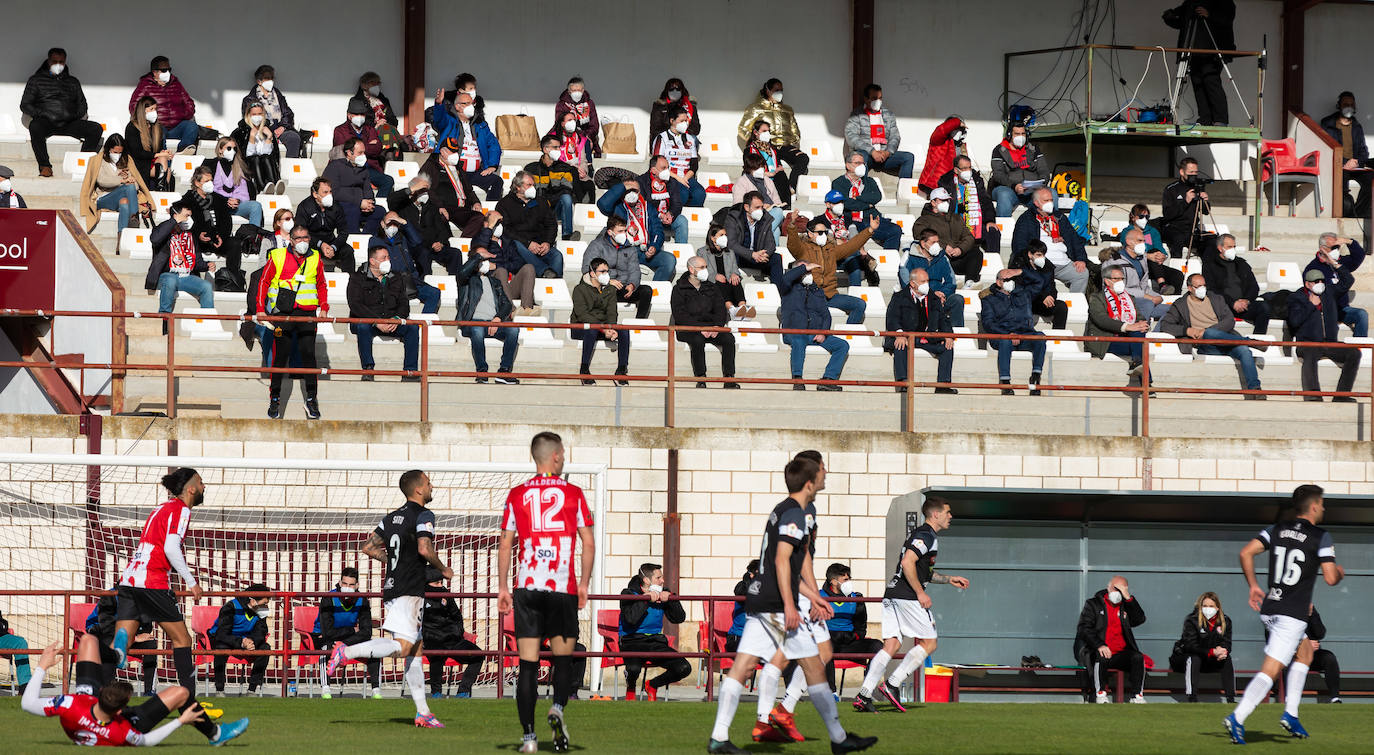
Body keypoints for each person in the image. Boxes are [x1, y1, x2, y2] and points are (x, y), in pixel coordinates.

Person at [708, 456, 876, 755]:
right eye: (822, 470)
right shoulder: (795, 515)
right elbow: (781, 560)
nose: (826, 474)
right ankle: (838, 739)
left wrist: (814, 596)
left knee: (744, 666)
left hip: (763, 599)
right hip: (775, 602)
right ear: (810, 482)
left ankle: (720, 737)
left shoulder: (786, 510)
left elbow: (794, 562)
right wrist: (789, 604)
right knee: (814, 665)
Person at [109, 468, 237, 744]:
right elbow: (170, 546)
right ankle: (190, 701)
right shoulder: (181, 510)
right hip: (153, 580)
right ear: (191, 489)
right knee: (182, 638)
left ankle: (99, 701)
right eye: (201, 483)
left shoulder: (160, 508)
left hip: (129, 578)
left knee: (123, 642)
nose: (204, 487)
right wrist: (191, 580)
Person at [328, 470, 454, 729]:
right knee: (405, 647)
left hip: (393, 586)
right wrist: (442, 569)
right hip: (409, 590)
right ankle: (346, 651)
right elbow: (424, 548)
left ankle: (423, 712)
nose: (432, 487)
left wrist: (395, 564)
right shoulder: (423, 515)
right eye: (429, 483)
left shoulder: (391, 518)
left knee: (416, 649)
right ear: (418, 489)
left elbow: (368, 547)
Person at [498, 433, 597, 753]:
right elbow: (588, 543)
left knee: (527, 665)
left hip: (527, 586)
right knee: (563, 657)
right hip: (561, 588)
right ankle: (557, 707)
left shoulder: (517, 494)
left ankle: (528, 739)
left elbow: (505, 543)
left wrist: (502, 587)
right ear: (555, 456)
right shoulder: (573, 493)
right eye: (563, 453)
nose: (564, 457)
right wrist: (583, 584)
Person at [1225, 484, 1344, 744]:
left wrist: (1254, 586)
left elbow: (1246, 552)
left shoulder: (1276, 529)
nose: (1323, 508)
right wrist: (1341, 571)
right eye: (1322, 503)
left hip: (1272, 607)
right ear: (1314, 506)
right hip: (1292, 614)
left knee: (1306, 652)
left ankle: (1291, 713)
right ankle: (1238, 717)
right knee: (1271, 670)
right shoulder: (1320, 535)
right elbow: (1331, 578)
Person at [853, 497, 970, 713]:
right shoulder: (926, 535)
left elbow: (921, 570)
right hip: (907, 596)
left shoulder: (922, 535)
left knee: (891, 645)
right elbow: (908, 562)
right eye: (948, 512)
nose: (950, 516)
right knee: (930, 643)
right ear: (936, 514)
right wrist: (919, 592)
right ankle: (892, 683)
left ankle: (864, 695)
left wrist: (948, 579)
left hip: (892, 594)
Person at [22, 636, 244, 746]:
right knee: (182, 693)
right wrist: (180, 721)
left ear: (99, 696)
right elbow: (147, 741)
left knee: (88, 639)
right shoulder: (122, 731)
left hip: (85, 706)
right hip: (125, 718)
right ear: (121, 711)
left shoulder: (71, 703)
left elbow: (27, 703)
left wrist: (43, 665)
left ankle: (118, 657)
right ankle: (215, 735)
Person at [257, 224, 328, 419]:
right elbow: (263, 281)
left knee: (309, 356)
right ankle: (275, 399)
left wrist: (324, 306)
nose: (303, 242)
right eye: (298, 238)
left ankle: (311, 399)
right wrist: (260, 310)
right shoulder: (278, 256)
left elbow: (321, 284)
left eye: (306, 238)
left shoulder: (315, 257)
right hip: (283, 314)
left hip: (307, 315)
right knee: (281, 356)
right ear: (291, 240)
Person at [1159, 274, 1265, 396]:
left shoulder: (1216, 299)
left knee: (1244, 351)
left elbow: (1230, 320)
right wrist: (1186, 330)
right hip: (1204, 345)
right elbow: (1165, 325)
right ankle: (1249, 341)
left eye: (1204, 285)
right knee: (1209, 334)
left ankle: (1255, 389)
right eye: (1198, 286)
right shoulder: (1180, 304)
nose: (1202, 289)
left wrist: (1207, 331)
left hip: (1225, 339)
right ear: (1189, 288)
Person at [21, 48, 103, 178]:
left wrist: (72, 115)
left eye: (61, 62)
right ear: (48, 61)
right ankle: (45, 166)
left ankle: (82, 163)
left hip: (69, 123)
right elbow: (25, 104)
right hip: (46, 122)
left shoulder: (73, 82)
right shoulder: (36, 80)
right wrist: (42, 114)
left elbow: (82, 104)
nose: (58, 65)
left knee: (96, 129)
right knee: (35, 126)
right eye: (54, 61)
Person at [786, 213, 876, 325]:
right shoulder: (803, 249)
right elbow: (792, 244)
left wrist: (870, 230)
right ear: (810, 234)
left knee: (860, 304)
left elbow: (852, 245)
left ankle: (847, 333)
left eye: (825, 232)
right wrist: (792, 225)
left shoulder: (831, 249)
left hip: (830, 295)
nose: (823, 235)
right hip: (811, 296)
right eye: (820, 233)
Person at [347, 245, 420, 381]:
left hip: (392, 321)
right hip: (368, 321)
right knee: (363, 327)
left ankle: (410, 371)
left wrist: (397, 318)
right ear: (372, 261)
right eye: (383, 258)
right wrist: (376, 321)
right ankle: (368, 369)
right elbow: (355, 305)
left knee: (413, 328)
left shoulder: (396, 277)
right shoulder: (357, 277)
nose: (388, 260)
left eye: (388, 257)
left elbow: (404, 303)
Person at [618, 562, 690, 700]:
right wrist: (645, 600)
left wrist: (671, 599)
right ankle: (631, 686)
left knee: (684, 667)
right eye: (658, 578)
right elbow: (631, 619)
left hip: (655, 642)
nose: (662, 581)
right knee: (633, 669)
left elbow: (679, 618)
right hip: (631, 641)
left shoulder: (663, 593)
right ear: (646, 580)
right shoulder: (627, 593)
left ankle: (652, 685)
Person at [1288, 269, 1361, 402]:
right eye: (1316, 281)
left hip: (1329, 342)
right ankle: (1313, 394)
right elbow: (1294, 321)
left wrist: (1334, 265)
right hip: (1307, 342)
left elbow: (1348, 281)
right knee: (1310, 354)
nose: (1320, 283)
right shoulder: (1297, 297)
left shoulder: (1329, 293)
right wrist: (1310, 305)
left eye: (1322, 281)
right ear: (1308, 284)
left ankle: (1342, 395)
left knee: (1354, 353)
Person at [1074, 576, 1148, 704]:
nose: (1118, 592)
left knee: (1137, 657)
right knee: (1101, 655)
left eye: (1122, 589)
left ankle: (1137, 695)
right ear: (1108, 588)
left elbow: (1139, 619)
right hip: (1098, 651)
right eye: (1115, 588)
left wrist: (1129, 598)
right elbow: (1084, 628)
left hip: (1119, 653)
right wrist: (1099, 645)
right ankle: (1101, 693)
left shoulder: (1125, 606)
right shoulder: (1093, 604)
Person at [778, 258, 848, 391]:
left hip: (814, 334)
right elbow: (787, 278)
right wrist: (804, 267)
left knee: (842, 345)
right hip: (794, 332)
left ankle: (828, 379)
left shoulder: (817, 291)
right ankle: (797, 379)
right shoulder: (787, 288)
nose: (808, 273)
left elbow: (826, 315)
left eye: (809, 271)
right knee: (798, 340)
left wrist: (823, 332)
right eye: (805, 270)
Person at [1164, 0, 1236, 126]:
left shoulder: (1225, 2)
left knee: (1211, 81)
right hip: (1194, 51)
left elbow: (1227, 18)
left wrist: (1210, 15)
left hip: (1213, 51)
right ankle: (1205, 119)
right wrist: (1169, 17)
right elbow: (1182, 21)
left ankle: (1220, 119)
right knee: (1198, 83)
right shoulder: (1191, 2)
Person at [455, 247, 521, 384]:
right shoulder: (466, 281)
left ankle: (504, 371)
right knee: (477, 330)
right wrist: (478, 256)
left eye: (486, 259)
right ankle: (482, 371)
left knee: (514, 329)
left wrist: (497, 319)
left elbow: (507, 304)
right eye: (482, 259)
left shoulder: (495, 282)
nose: (486, 262)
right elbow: (462, 272)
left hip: (493, 323)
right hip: (473, 322)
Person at [312, 567, 381, 699]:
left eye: (350, 585)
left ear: (357, 586)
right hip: (323, 636)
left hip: (348, 639)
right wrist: (351, 631)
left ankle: (376, 690)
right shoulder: (329, 598)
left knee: (375, 648)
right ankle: (326, 689)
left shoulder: (362, 599)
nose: (347, 587)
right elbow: (327, 632)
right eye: (344, 584)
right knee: (326, 647)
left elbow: (367, 632)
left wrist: (343, 643)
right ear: (339, 582)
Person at [885, 267, 957, 394]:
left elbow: (943, 320)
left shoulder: (933, 298)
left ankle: (943, 384)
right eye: (923, 281)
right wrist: (899, 334)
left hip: (927, 338)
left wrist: (948, 335)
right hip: (907, 337)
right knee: (900, 345)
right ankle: (903, 383)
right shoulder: (899, 297)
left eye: (927, 281)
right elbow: (892, 319)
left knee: (948, 347)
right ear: (913, 284)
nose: (927, 284)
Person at [671, 255, 738, 388]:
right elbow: (680, 314)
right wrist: (699, 328)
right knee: (697, 340)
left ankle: (729, 377)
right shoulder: (679, 289)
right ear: (691, 269)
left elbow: (720, 310)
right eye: (702, 267)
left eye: (706, 267)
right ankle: (701, 377)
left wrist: (717, 326)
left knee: (729, 339)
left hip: (711, 327)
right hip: (688, 328)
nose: (705, 270)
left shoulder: (712, 287)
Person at [145, 202, 215, 324]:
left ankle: (207, 322)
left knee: (206, 287)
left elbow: (196, 260)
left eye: (190, 216)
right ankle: (164, 319)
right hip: (166, 274)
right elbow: (155, 239)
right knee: (171, 280)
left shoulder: (190, 235)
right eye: (186, 215)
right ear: (176, 215)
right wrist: (173, 221)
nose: (189, 219)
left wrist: (206, 265)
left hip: (186, 276)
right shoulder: (163, 228)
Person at [737, 79, 808, 195]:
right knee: (777, 168)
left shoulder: (787, 110)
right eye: (776, 90)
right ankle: (780, 192)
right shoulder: (756, 108)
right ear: (768, 90)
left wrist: (792, 141)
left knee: (803, 158)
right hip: (768, 146)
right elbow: (743, 129)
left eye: (781, 90)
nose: (779, 93)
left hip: (785, 146)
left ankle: (791, 187)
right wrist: (756, 142)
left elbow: (795, 131)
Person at [818, 563, 882, 694]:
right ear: (833, 581)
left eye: (849, 579)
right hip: (827, 642)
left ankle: (866, 691)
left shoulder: (856, 599)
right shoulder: (818, 597)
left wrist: (853, 636)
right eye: (845, 580)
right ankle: (831, 692)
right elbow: (811, 626)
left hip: (849, 641)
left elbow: (861, 627)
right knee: (825, 645)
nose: (849, 583)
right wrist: (829, 635)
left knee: (878, 647)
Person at [422, 567, 484, 699]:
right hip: (432, 639)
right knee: (436, 656)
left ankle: (463, 692)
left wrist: (457, 632)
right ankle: (436, 693)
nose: (440, 586)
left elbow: (457, 616)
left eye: (441, 583)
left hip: (452, 639)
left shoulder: (446, 595)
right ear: (426, 583)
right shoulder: (418, 597)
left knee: (478, 656)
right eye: (436, 583)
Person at [597, 175, 674, 281]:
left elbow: (657, 231)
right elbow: (602, 204)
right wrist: (623, 186)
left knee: (669, 259)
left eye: (635, 190)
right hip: (623, 251)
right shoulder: (617, 206)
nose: (632, 193)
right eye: (629, 190)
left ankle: (656, 290)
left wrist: (654, 246)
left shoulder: (648, 207)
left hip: (644, 250)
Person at [1087, 266, 1152, 391]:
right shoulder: (1096, 298)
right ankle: (1147, 384)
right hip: (1106, 340)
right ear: (1107, 281)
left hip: (1128, 339)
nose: (1121, 282)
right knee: (1140, 343)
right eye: (1117, 279)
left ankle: (1137, 363)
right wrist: (1128, 326)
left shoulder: (1129, 298)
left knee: (1139, 334)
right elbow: (1102, 320)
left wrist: (1144, 324)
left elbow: (1140, 317)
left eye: (1122, 279)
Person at [982, 269, 1047, 395]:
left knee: (1040, 337)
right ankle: (1005, 382)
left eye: (1012, 279)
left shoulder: (1023, 294)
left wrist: (1020, 271)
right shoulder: (989, 299)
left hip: (1024, 334)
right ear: (998, 282)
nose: (1010, 282)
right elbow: (988, 323)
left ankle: (1035, 377)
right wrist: (1008, 334)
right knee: (1005, 342)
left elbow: (1040, 281)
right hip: (1002, 336)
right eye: (1006, 280)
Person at [1011, 187, 1088, 292]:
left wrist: (1081, 259)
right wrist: (1030, 260)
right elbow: (1019, 244)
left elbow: (1075, 239)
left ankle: (1075, 305)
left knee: (1082, 274)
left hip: (1063, 263)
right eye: (1046, 201)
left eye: (1051, 200)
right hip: (1040, 263)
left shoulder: (1060, 217)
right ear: (1036, 203)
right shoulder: (1026, 219)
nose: (1050, 203)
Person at [432, 88, 503, 201]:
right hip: (455, 170)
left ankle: (491, 213)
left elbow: (493, 145)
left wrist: (492, 165)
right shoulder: (449, 122)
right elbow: (439, 119)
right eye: (466, 103)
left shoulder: (481, 125)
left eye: (472, 103)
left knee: (497, 181)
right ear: (457, 106)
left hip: (476, 172)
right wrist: (439, 104)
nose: (471, 106)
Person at [571, 257, 631, 385]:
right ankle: (584, 369)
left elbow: (612, 312)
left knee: (624, 330)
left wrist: (612, 328)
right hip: (581, 327)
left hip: (603, 327)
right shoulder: (579, 289)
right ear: (592, 273)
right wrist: (603, 328)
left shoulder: (610, 289)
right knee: (592, 330)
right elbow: (582, 315)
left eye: (607, 271)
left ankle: (621, 370)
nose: (606, 275)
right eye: (602, 271)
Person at [84, 593, 157, 695]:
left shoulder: (143, 598)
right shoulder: (111, 597)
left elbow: (146, 628)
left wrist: (137, 636)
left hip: (128, 637)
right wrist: (134, 638)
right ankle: (106, 689)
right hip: (105, 635)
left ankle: (150, 691)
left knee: (151, 644)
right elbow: (102, 628)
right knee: (107, 642)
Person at [79, 134, 152, 237]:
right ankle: (134, 217)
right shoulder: (97, 160)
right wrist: (122, 180)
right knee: (128, 187)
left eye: (120, 152)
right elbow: (102, 180)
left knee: (124, 202)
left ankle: (121, 238)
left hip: (122, 198)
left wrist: (128, 180)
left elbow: (136, 185)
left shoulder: (127, 160)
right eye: (115, 152)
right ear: (108, 149)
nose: (118, 155)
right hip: (104, 198)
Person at [1169, 592, 1235, 703]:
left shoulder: (1225, 621)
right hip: (1186, 659)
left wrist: (1223, 651)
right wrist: (1211, 651)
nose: (1208, 609)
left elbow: (1227, 643)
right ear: (1200, 607)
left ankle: (1231, 698)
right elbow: (1190, 645)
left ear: (1217, 608)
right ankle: (1192, 697)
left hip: (1210, 659)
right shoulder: (1192, 620)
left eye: (1211, 606)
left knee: (1227, 658)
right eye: (1205, 606)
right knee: (1194, 658)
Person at [939, 154, 1000, 272]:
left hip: (974, 222)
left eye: (969, 168)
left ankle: (993, 268)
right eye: (964, 168)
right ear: (956, 170)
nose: (968, 171)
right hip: (954, 224)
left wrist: (990, 220)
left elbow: (986, 201)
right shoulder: (946, 182)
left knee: (993, 231)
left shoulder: (976, 180)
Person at [391, 175, 463, 277]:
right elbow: (391, 199)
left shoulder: (431, 207)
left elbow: (441, 229)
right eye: (422, 190)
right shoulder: (403, 206)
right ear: (414, 190)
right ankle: (424, 284)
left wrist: (441, 242)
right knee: (423, 254)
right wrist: (411, 189)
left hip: (432, 246)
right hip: (413, 246)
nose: (425, 193)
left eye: (427, 190)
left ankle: (455, 284)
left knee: (455, 253)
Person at [495, 172, 562, 279]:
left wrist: (548, 242)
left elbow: (551, 224)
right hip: (520, 244)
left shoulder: (541, 201)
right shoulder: (504, 204)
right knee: (517, 245)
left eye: (533, 185)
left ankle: (555, 287)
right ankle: (545, 272)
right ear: (518, 187)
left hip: (540, 244)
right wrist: (528, 244)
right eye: (528, 185)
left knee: (557, 256)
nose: (532, 188)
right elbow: (506, 230)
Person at [208, 584, 272, 695]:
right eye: (264, 603)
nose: (265, 606)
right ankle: (219, 690)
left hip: (246, 640)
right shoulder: (230, 607)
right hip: (225, 639)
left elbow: (261, 631)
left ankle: (251, 690)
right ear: (252, 601)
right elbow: (222, 634)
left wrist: (252, 641)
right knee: (221, 649)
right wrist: (241, 642)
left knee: (265, 649)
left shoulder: (261, 610)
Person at [832, 152, 903, 252]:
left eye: (863, 163)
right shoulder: (838, 183)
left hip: (871, 218)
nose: (861, 166)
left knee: (895, 230)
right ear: (848, 165)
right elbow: (845, 203)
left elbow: (877, 197)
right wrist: (868, 204)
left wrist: (857, 198)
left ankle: (888, 261)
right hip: (851, 220)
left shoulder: (870, 181)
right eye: (857, 163)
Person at [417, 137, 486, 239]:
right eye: (451, 151)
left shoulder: (458, 167)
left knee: (479, 218)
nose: (455, 154)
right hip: (443, 206)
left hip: (461, 208)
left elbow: (468, 188)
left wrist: (475, 201)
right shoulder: (431, 165)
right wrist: (439, 205)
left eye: (456, 151)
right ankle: (448, 243)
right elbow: (426, 188)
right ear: (442, 152)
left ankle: (463, 242)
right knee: (438, 218)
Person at [472, 213, 540, 316]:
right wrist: (488, 229)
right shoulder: (479, 239)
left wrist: (497, 265)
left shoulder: (507, 241)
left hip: (509, 286)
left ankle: (527, 309)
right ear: (487, 223)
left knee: (528, 268)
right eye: (497, 222)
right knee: (501, 272)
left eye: (501, 222)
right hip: (492, 286)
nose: (500, 225)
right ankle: (510, 311)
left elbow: (519, 263)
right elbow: (478, 253)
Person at [372, 214, 441, 315]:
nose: (392, 225)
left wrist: (404, 222)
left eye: (395, 223)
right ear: (382, 224)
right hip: (389, 282)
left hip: (409, 280)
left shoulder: (403, 239)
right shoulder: (375, 240)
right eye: (389, 222)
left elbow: (418, 242)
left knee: (434, 293)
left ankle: (424, 323)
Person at [128, 56, 199, 153]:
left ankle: (183, 152)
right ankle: (165, 160)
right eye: (164, 70)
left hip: (177, 126)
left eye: (169, 69)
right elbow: (134, 106)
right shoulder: (145, 85)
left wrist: (180, 115)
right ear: (155, 72)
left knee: (192, 126)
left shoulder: (176, 83)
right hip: (158, 125)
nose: (168, 73)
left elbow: (189, 104)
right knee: (159, 130)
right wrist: (148, 120)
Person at [913, 187, 982, 283]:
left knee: (976, 252)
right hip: (939, 258)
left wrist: (960, 249)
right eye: (943, 200)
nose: (946, 203)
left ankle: (970, 282)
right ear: (933, 202)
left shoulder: (956, 218)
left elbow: (968, 237)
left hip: (957, 257)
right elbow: (921, 237)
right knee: (935, 251)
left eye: (948, 200)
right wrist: (944, 247)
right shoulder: (923, 220)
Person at [1201, 234, 1268, 334]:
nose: (1233, 249)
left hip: (1243, 305)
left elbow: (1253, 286)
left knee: (1264, 308)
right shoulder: (1210, 266)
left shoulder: (1242, 264)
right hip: (1223, 306)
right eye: (1229, 247)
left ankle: (1257, 341)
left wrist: (1246, 300)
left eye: (1234, 247)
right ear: (1220, 248)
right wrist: (1232, 303)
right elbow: (1212, 290)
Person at [844, 84, 914, 179]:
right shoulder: (857, 114)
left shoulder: (888, 115)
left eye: (880, 98)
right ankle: (863, 189)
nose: (878, 101)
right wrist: (872, 151)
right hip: (867, 156)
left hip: (884, 156)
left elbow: (895, 136)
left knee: (908, 157)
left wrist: (887, 152)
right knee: (860, 157)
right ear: (866, 99)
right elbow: (851, 136)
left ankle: (905, 188)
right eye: (874, 98)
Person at [1304, 233, 1367, 337]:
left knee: (1361, 315)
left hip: (1341, 309)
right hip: (1324, 310)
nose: (1336, 250)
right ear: (1322, 249)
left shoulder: (1341, 262)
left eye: (1338, 247)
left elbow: (1359, 256)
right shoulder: (1313, 268)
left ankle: (1359, 347)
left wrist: (1348, 241)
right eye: (1333, 247)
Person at [1321, 92, 1372, 217]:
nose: (1349, 107)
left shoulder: (1357, 126)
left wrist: (1356, 162)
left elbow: (1363, 151)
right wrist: (1345, 162)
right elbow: (1326, 148)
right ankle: (1346, 212)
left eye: (1351, 104)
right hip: (1339, 165)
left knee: (1371, 179)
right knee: (1342, 186)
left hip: (1355, 165)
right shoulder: (1328, 124)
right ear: (1339, 105)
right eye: (1345, 104)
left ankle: (1358, 213)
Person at [1103, 228, 1171, 320]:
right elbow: (1115, 288)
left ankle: (1154, 333)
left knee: (1172, 310)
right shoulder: (1114, 261)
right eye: (1139, 241)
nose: (1143, 244)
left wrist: (1157, 296)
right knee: (1147, 304)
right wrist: (1145, 297)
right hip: (1121, 300)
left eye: (1144, 241)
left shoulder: (1142, 259)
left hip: (1143, 300)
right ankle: (1140, 331)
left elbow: (1144, 286)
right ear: (1128, 242)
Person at [817, 191, 881, 288]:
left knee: (853, 262)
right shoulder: (819, 220)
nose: (840, 205)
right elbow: (829, 243)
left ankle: (856, 295)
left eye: (842, 202)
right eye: (836, 202)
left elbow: (854, 236)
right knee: (854, 256)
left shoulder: (847, 219)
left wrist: (857, 246)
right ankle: (868, 268)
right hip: (831, 257)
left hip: (849, 256)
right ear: (828, 204)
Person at [901, 229, 964, 327]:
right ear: (923, 243)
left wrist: (942, 294)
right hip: (918, 298)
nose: (937, 245)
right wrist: (931, 295)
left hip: (940, 297)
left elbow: (951, 282)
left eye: (938, 242)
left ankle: (956, 335)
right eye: (933, 242)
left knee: (957, 300)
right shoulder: (909, 256)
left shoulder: (942, 257)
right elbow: (906, 283)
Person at [333, 98, 393, 201]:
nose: (360, 117)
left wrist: (357, 148)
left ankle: (379, 204)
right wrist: (368, 146)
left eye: (362, 114)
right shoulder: (340, 130)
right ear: (349, 115)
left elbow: (377, 149)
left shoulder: (369, 129)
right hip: (349, 168)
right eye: (356, 114)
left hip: (368, 168)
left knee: (388, 181)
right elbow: (344, 150)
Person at [989, 122, 1052, 217]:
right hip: (1008, 189)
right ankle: (1003, 229)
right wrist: (1014, 186)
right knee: (1004, 195)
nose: (1021, 136)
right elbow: (998, 175)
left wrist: (1039, 184)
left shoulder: (1034, 149)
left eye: (1023, 134)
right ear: (1010, 135)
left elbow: (1044, 170)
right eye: (1017, 134)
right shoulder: (999, 150)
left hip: (1032, 191)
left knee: (1052, 193)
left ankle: (1051, 227)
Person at [322, 138, 383, 235]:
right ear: (349, 153)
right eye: (360, 153)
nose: (363, 156)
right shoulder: (335, 167)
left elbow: (367, 189)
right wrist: (359, 202)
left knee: (380, 211)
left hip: (361, 206)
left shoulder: (363, 169)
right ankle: (353, 238)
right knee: (352, 210)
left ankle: (366, 237)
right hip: (341, 205)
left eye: (364, 153)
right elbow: (334, 192)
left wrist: (369, 202)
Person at [241, 65, 304, 159]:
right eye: (267, 78)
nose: (270, 80)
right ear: (259, 81)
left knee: (294, 138)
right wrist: (264, 128)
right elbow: (249, 119)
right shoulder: (250, 99)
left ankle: (290, 167)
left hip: (280, 129)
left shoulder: (278, 95)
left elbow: (288, 113)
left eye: (271, 78)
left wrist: (283, 127)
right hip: (262, 130)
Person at [1117, 204, 1182, 294]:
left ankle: (1174, 300)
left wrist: (1162, 255)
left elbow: (1159, 247)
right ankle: (1162, 284)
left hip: (1154, 266)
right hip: (1136, 264)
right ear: (1133, 217)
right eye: (1141, 216)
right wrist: (1147, 256)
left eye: (1147, 216)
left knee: (1177, 275)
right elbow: (1129, 250)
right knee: (1152, 252)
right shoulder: (1127, 232)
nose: (1144, 219)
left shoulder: (1152, 231)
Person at [525, 135, 578, 241]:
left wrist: (549, 201)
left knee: (567, 198)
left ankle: (567, 236)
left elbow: (566, 189)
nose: (559, 150)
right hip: (537, 209)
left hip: (556, 210)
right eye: (555, 147)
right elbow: (527, 190)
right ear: (545, 149)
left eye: (559, 147)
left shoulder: (565, 168)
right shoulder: (531, 168)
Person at [651, 106, 706, 207]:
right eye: (682, 121)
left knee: (699, 193)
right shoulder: (661, 138)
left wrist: (685, 178)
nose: (685, 123)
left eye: (686, 120)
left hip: (687, 176)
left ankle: (692, 218)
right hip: (669, 176)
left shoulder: (690, 138)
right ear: (672, 121)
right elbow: (657, 164)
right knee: (682, 194)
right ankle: (676, 218)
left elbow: (694, 165)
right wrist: (678, 178)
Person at [205, 137, 264, 228]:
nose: (232, 151)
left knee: (255, 206)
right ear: (220, 150)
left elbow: (244, 190)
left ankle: (253, 235)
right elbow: (206, 189)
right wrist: (225, 201)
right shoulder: (209, 164)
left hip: (236, 205)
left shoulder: (240, 166)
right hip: (217, 204)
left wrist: (237, 200)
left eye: (234, 149)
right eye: (229, 148)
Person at [296, 177, 352, 272]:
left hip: (331, 243)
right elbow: (300, 232)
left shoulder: (336, 207)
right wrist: (320, 244)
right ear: (315, 194)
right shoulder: (304, 207)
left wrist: (334, 247)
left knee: (348, 251)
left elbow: (343, 231)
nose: (329, 195)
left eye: (330, 192)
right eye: (325, 192)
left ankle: (351, 281)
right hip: (311, 243)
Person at [1008, 240, 1067, 329]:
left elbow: (1051, 286)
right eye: (1039, 255)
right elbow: (1024, 285)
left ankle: (1057, 336)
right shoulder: (1019, 264)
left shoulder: (1048, 266)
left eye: (1043, 255)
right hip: (1025, 301)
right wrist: (1043, 297)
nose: (1042, 257)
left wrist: (1051, 297)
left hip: (1041, 302)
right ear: (1030, 254)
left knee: (1061, 307)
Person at [1161, 157, 1214, 256]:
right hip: (1174, 229)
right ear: (1182, 172)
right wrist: (1186, 201)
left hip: (1192, 230)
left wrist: (1205, 200)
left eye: (1196, 172)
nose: (1194, 175)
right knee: (1178, 239)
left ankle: (1206, 269)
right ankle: (1177, 269)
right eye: (1191, 172)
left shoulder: (1197, 187)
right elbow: (1167, 214)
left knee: (1213, 240)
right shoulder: (1171, 189)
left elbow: (1206, 212)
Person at [698, 224, 752, 318]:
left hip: (728, 281)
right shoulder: (702, 252)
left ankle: (742, 308)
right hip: (713, 283)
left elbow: (735, 269)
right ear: (713, 238)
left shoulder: (730, 252)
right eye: (721, 235)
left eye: (725, 235)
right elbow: (701, 270)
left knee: (736, 281)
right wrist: (714, 276)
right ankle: (731, 309)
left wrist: (735, 274)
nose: (725, 237)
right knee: (720, 283)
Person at [723, 192, 778, 280]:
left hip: (758, 257)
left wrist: (764, 254)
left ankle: (777, 290)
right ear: (746, 207)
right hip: (742, 256)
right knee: (732, 253)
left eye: (761, 207)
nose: (760, 210)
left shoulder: (765, 218)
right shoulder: (733, 218)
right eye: (757, 207)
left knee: (776, 258)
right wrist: (752, 254)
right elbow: (731, 243)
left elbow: (771, 243)